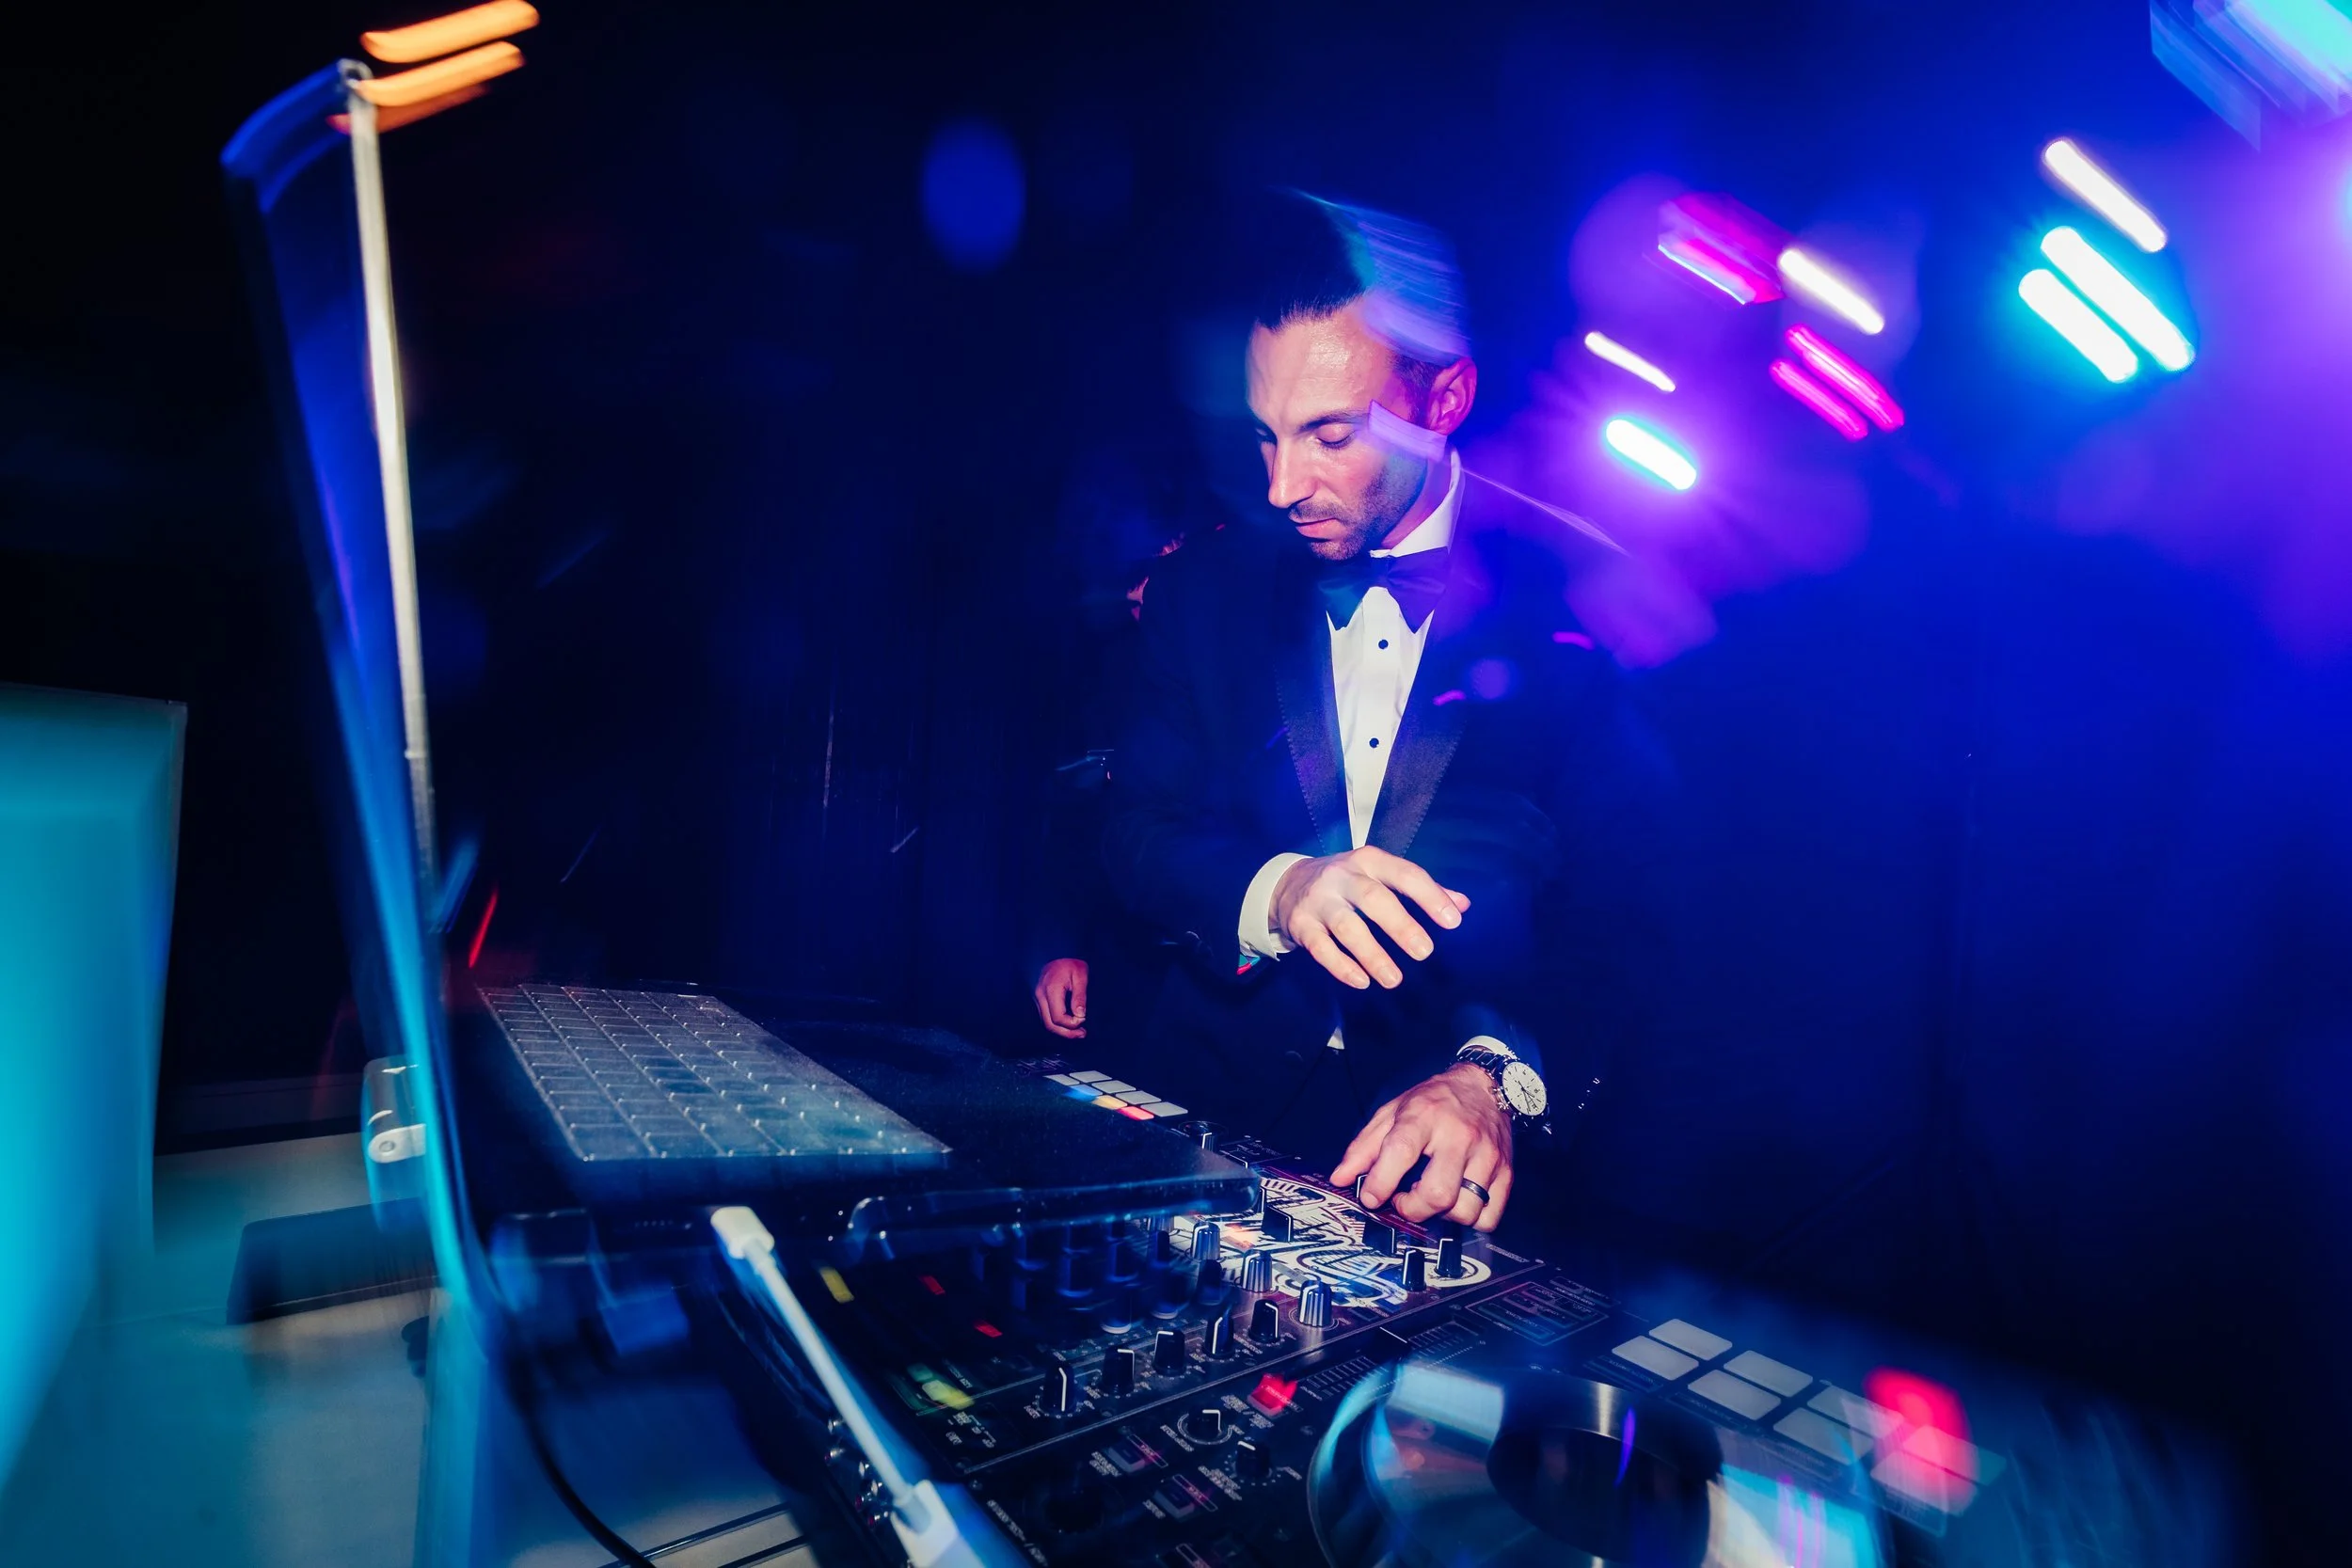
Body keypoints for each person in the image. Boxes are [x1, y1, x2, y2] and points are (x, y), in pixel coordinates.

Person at [1102, 195, 1671, 1233]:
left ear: (1444, 396)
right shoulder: (1205, 587)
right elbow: (1131, 829)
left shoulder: (1588, 599)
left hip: (1440, 1168)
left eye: (1328, 434)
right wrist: (1277, 889)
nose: (1281, 485)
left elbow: (1621, 917)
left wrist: (1494, 1075)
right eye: (1267, 435)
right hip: (1202, 1117)